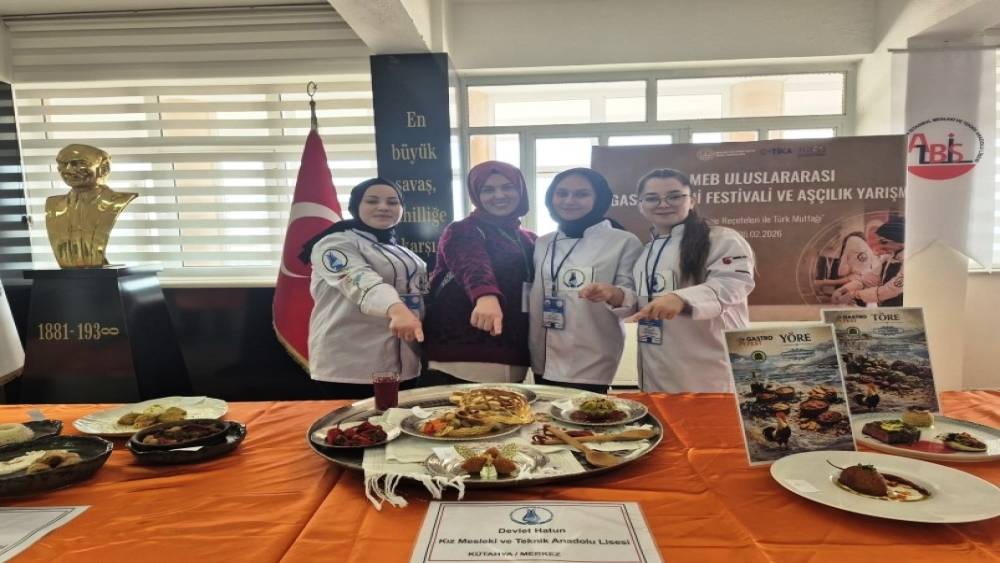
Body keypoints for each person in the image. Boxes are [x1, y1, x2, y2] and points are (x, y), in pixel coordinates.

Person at [627, 168, 756, 392]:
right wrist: (617, 295)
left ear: (692, 200)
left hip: (710, 368)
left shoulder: (721, 239)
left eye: (674, 196)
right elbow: (643, 298)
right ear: (640, 205)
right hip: (657, 367)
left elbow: (733, 283)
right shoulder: (646, 251)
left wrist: (680, 298)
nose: (663, 204)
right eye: (652, 198)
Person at [300, 178, 426, 398]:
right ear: (356, 205)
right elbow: (360, 280)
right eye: (372, 201)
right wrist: (396, 309)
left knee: (399, 418)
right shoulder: (334, 244)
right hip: (350, 363)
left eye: (393, 202)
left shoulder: (405, 253)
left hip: (405, 363)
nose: (383, 207)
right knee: (359, 421)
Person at [529, 168, 642, 394]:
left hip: (591, 354)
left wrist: (613, 293)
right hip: (542, 352)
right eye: (562, 193)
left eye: (581, 194)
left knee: (583, 414)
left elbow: (634, 300)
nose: (569, 200)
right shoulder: (543, 242)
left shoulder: (623, 241)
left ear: (599, 198)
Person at [423, 161, 536, 384]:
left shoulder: (528, 239)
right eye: (488, 189)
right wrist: (485, 296)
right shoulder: (464, 229)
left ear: (520, 190)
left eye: (507, 187)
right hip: (462, 352)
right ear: (476, 194)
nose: (499, 195)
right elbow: (472, 264)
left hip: (514, 351)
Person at [46, 144, 138, 268]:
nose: (67, 169)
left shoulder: (117, 201)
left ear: (104, 168)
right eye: (62, 164)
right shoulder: (53, 205)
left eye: (78, 163)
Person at [833, 215, 904, 306]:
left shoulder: (910, 261)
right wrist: (843, 290)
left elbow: (890, 290)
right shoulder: (888, 259)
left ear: (899, 240)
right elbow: (867, 280)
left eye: (883, 242)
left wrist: (854, 295)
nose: (881, 246)